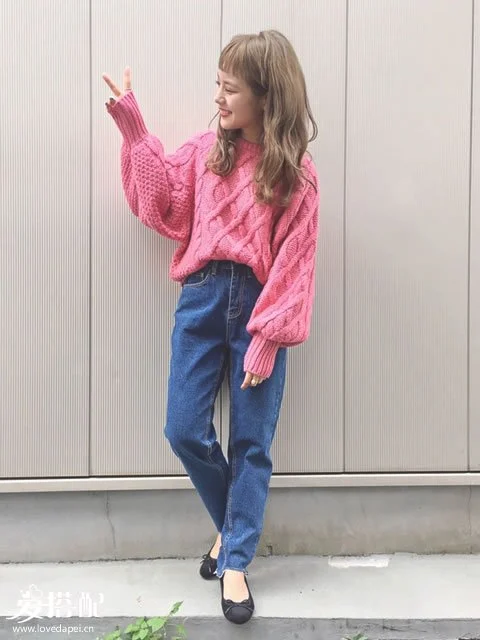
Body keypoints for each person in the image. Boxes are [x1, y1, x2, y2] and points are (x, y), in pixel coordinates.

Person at [103, 28, 320, 625]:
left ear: (266, 97)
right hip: (200, 300)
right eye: (217, 85)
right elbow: (160, 205)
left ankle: (236, 563)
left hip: (259, 308)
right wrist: (135, 131)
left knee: (252, 443)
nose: (219, 98)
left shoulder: (296, 175)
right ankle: (231, 528)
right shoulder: (206, 153)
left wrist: (267, 338)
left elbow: (296, 261)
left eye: (231, 88)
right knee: (183, 428)